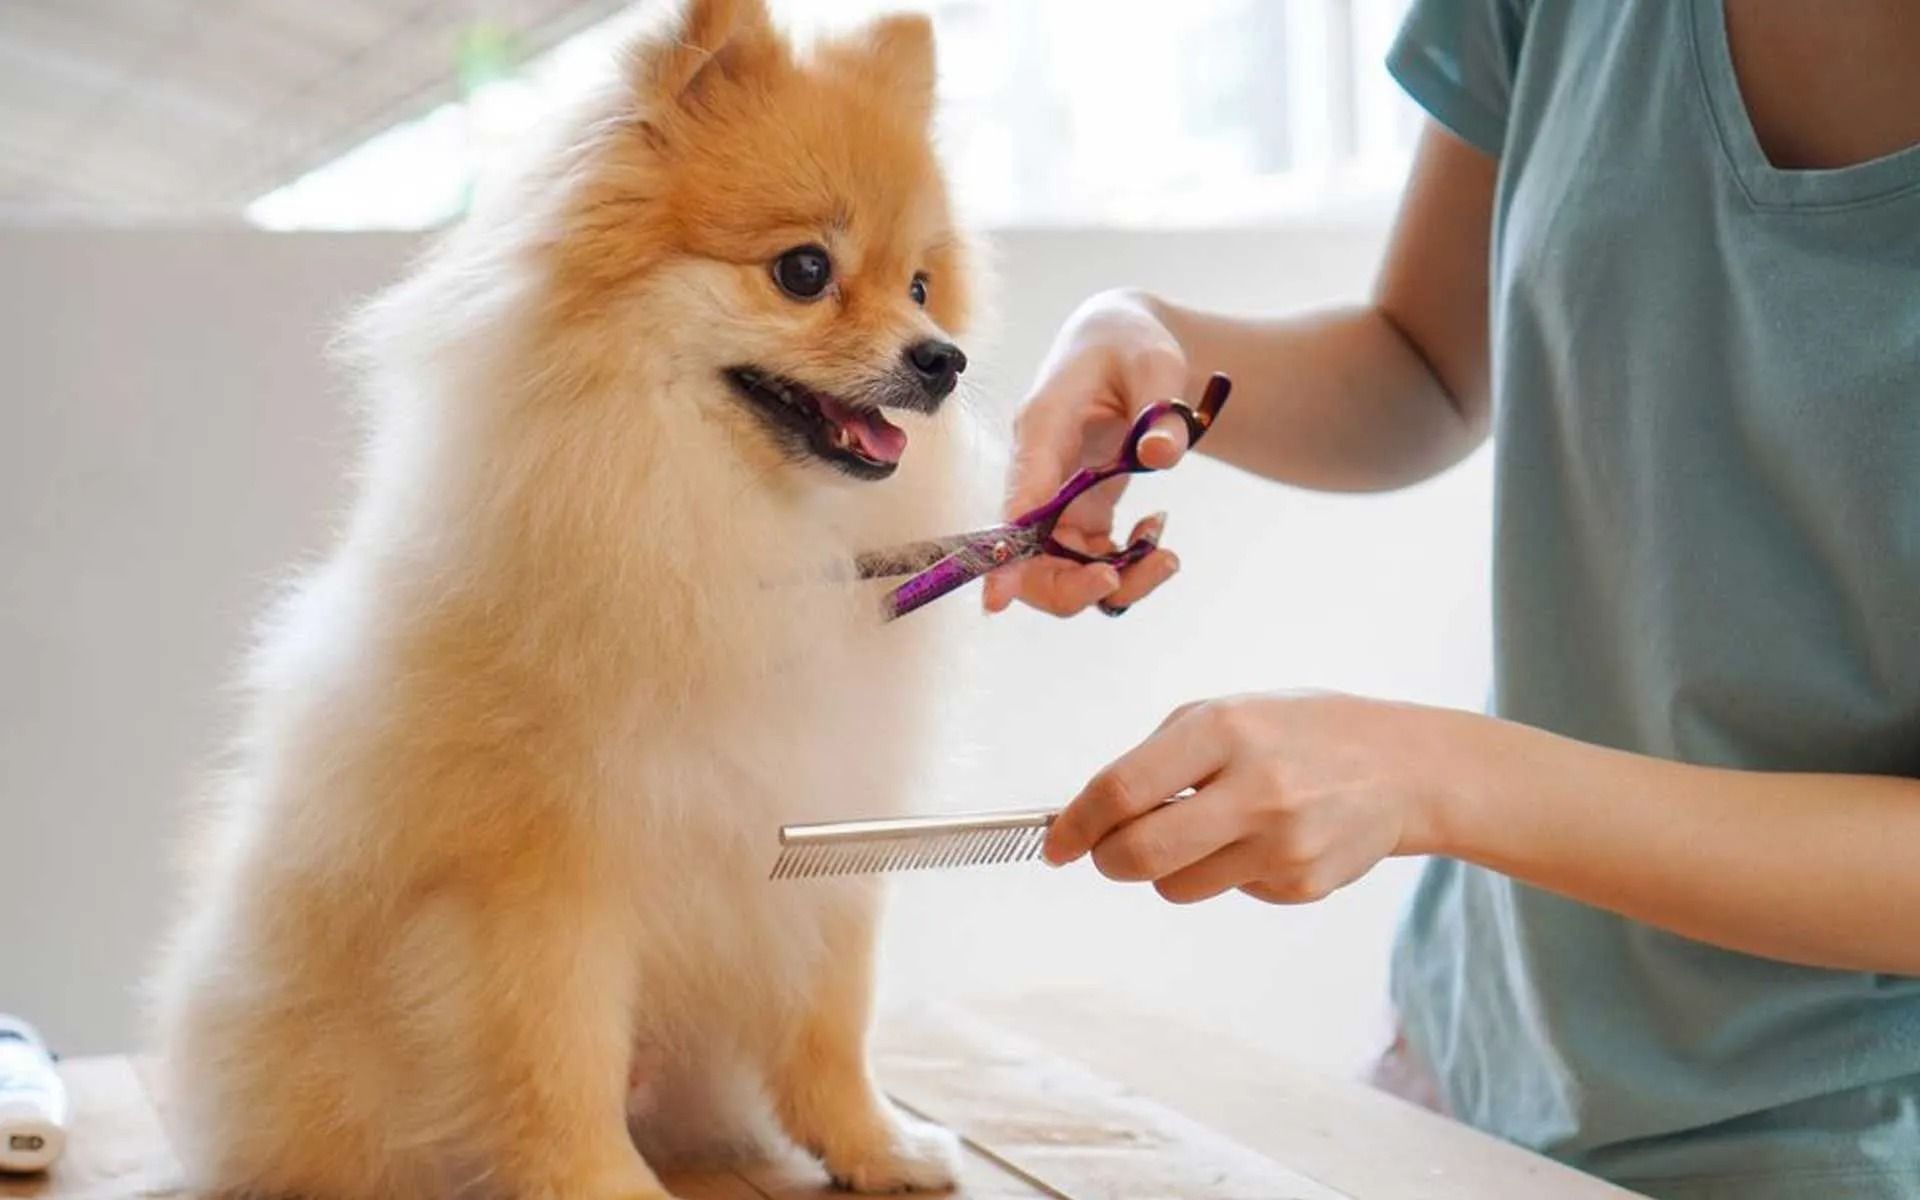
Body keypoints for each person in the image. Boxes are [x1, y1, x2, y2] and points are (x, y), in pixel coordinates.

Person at [988, 1, 1920, 1196]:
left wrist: (1438, 778)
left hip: (1832, 1145)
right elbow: (1421, 361)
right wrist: (1147, 340)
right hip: (1467, 1067)